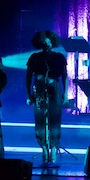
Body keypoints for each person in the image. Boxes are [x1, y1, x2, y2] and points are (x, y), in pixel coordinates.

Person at [25, 30, 69, 166]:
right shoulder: (34, 57)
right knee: (39, 120)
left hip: (54, 87)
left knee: (55, 119)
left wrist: (66, 94)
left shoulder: (59, 57)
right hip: (38, 88)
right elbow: (28, 78)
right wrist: (28, 95)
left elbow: (65, 76)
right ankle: (44, 148)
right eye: (44, 42)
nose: (47, 44)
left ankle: (54, 148)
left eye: (49, 41)